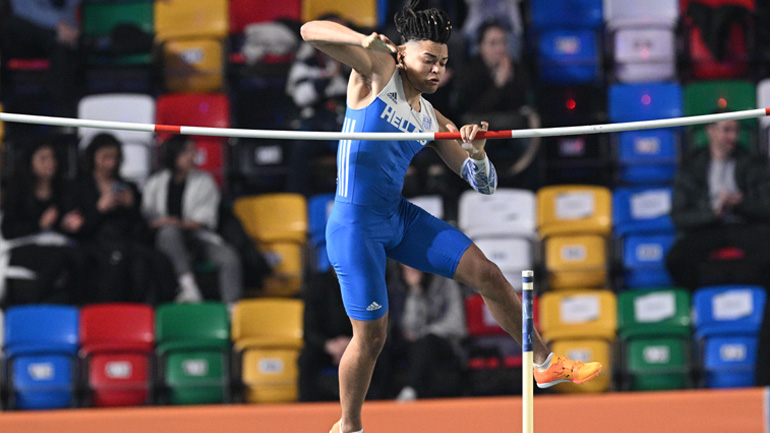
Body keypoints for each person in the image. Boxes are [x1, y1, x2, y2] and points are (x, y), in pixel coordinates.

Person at [300, 2, 602, 432]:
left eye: (443, 62)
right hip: (355, 225)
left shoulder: (431, 117)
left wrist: (477, 154)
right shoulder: (377, 71)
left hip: (397, 217)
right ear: (403, 53)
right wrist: (362, 40)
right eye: (429, 60)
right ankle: (349, 426)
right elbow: (310, 31)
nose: (437, 70)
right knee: (371, 338)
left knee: (488, 274)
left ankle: (543, 362)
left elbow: (485, 185)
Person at [68, 133, 177, 304]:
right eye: (106, 157)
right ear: (93, 157)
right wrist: (99, 209)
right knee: (115, 260)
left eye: (115, 157)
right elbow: (78, 229)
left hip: (128, 243)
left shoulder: (128, 187)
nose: (111, 163)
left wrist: (132, 206)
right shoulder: (79, 188)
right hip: (95, 245)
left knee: (154, 261)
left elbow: (141, 229)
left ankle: (146, 313)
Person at [665, 117, 770, 291]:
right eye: (726, 130)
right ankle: (694, 303)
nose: (732, 136)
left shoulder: (752, 163)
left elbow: (766, 207)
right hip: (706, 227)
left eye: (735, 131)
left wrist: (741, 203)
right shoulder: (691, 167)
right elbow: (679, 216)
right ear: (711, 131)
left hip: (744, 225)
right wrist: (712, 213)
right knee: (677, 259)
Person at [142, 135, 243, 306]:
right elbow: (147, 216)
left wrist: (178, 223)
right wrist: (164, 224)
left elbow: (205, 219)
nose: (192, 155)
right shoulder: (155, 182)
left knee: (229, 258)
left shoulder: (205, 181)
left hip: (198, 238)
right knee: (168, 233)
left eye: (193, 151)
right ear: (173, 154)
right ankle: (188, 286)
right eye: (186, 151)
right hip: (166, 241)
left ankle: (232, 309)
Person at [0, 139, 84, 305]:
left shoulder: (63, 189)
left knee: (78, 256)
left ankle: (80, 309)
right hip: (22, 247)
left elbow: (64, 227)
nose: (50, 163)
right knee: (59, 257)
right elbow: (8, 231)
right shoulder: (18, 191)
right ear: (31, 162)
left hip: (55, 245)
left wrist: (69, 224)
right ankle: (32, 303)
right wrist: (39, 225)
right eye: (43, 158)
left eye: (52, 157)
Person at [298, 269, 390, 402]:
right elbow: (310, 330)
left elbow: (374, 323)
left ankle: (377, 403)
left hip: (359, 343)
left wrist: (353, 344)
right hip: (327, 346)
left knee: (381, 354)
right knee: (306, 359)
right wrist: (330, 346)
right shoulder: (316, 284)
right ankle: (307, 405)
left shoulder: (366, 282)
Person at [391, 264, 467, 402]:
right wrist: (415, 290)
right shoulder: (399, 286)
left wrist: (427, 332)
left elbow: (457, 324)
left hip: (445, 343)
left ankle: (410, 389)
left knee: (426, 342)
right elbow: (408, 328)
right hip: (411, 345)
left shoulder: (446, 282)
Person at [0, 0, 82, 117]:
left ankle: (66, 118)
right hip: (24, 28)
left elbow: (70, 8)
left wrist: (70, 29)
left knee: (64, 47)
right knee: (57, 42)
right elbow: (23, 8)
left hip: (62, 34)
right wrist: (57, 24)